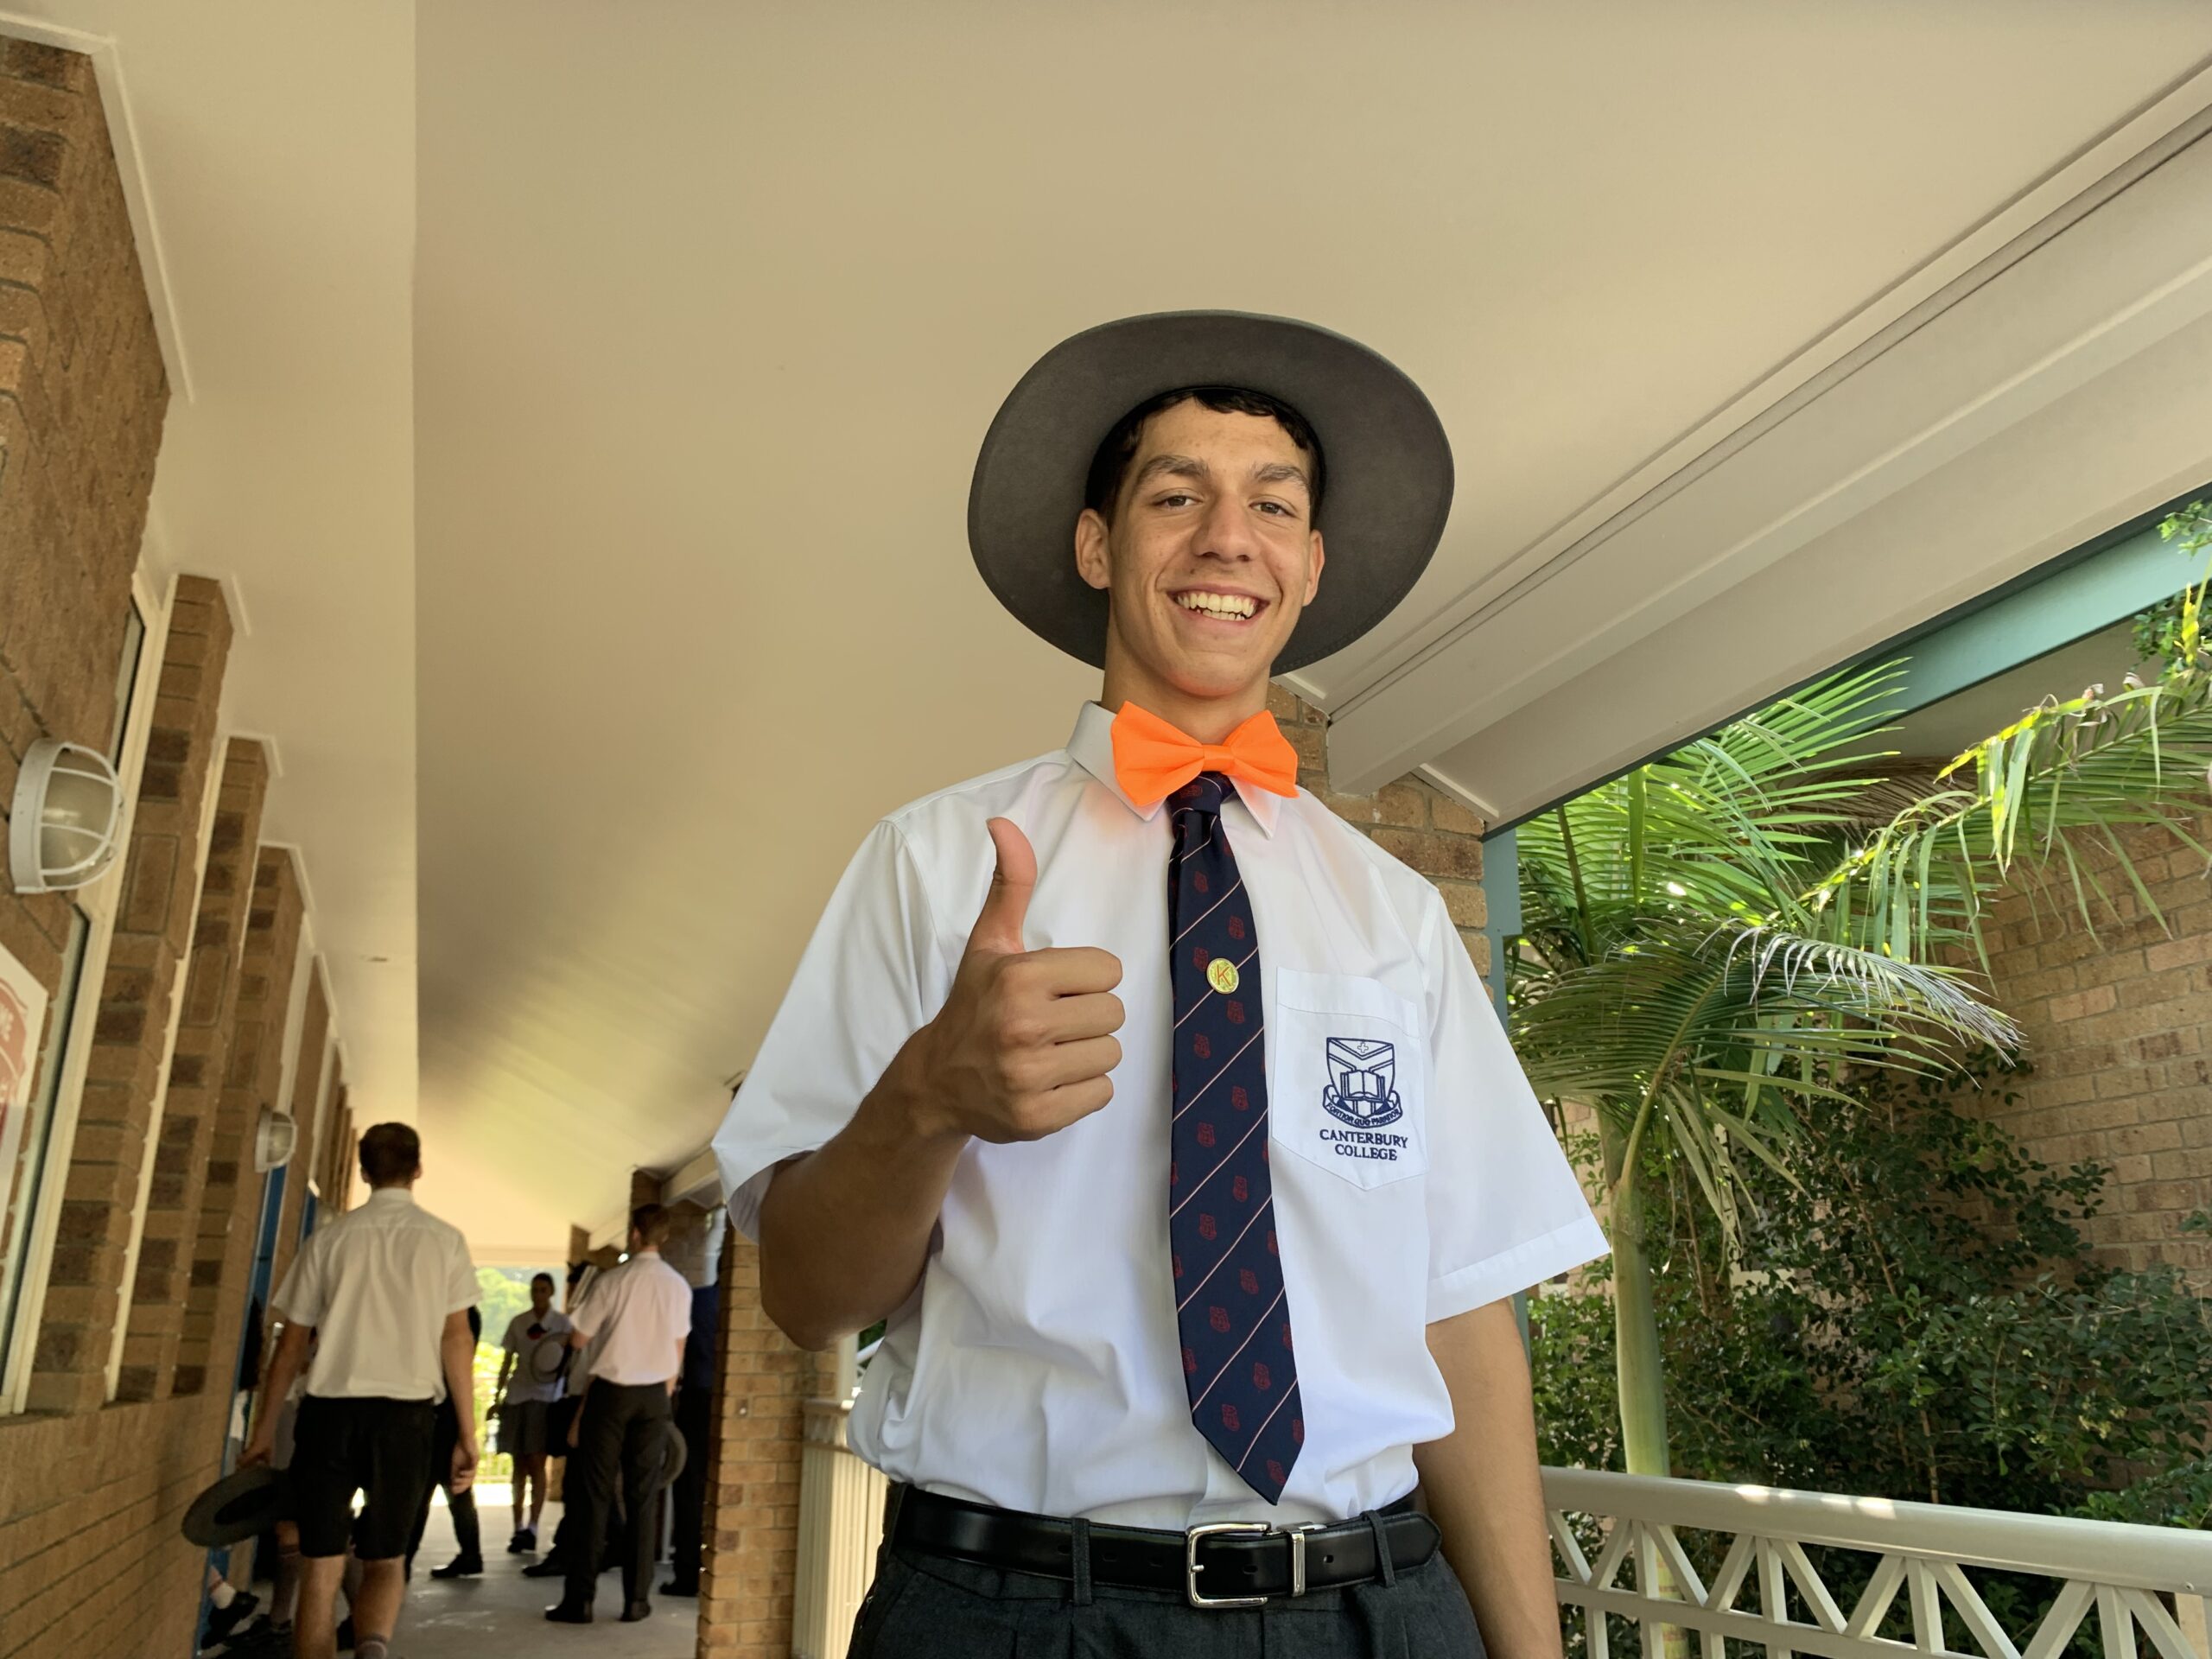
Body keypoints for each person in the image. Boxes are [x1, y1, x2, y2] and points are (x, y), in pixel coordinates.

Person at [712, 313, 1609, 1657]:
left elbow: (1462, 1310)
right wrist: (926, 1101)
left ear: (1308, 566)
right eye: (1175, 495)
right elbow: (808, 1298)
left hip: (1375, 1612)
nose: (1225, 537)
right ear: (1097, 546)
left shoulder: (1397, 916)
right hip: (1015, 1613)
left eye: (1271, 504)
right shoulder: (931, 863)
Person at [245, 1122, 480, 1659]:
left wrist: (262, 1432)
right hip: (407, 1419)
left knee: (320, 1571)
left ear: (363, 1171)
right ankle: (373, 1648)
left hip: (329, 1416)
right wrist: (466, 1433)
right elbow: (457, 1337)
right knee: (386, 1560)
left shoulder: (329, 1239)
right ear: (417, 1169)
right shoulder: (445, 1241)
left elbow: (291, 1345)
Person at [544, 1205, 691, 1624]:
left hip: (611, 1394)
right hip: (655, 1396)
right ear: (661, 1237)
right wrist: (662, 1393)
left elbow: (578, 1337)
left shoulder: (614, 1280)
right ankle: (637, 1601)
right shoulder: (678, 1286)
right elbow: (677, 1348)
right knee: (643, 1497)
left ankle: (581, 1600)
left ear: (633, 1234)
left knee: (594, 1494)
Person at [492, 1271, 572, 1554]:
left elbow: (571, 1362)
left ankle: (534, 1525)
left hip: (545, 1399)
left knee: (537, 1462)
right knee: (518, 1465)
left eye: (543, 1289)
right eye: (534, 1289)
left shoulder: (563, 1325)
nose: (538, 1294)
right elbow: (507, 1361)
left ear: (551, 1292)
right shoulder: (519, 1322)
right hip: (517, 1397)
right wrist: (498, 1396)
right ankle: (517, 1528)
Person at [406, 1305, 486, 1579]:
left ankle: (403, 1558)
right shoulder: (462, 1315)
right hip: (449, 1409)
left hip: (441, 1409)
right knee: (454, 1490)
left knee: (422, 1489)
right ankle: (470, 1554)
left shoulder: (453, 1315)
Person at [661, 1273, 720, 1597]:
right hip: (735, 1402)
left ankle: (687, 1573)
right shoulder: (760, 1305)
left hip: (696, 1400)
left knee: (689, 1491)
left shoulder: (696, 1301)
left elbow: (675, 1349)